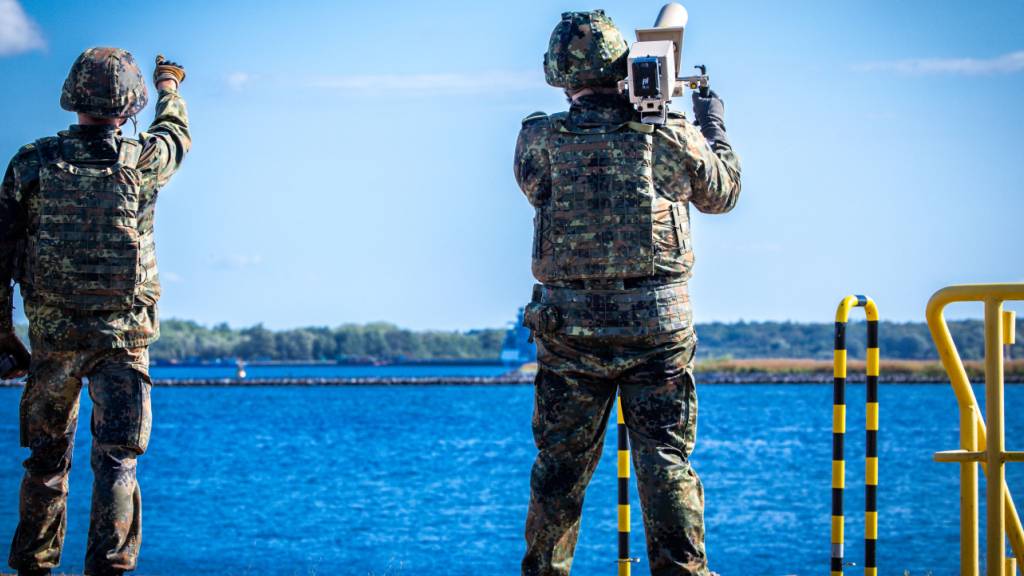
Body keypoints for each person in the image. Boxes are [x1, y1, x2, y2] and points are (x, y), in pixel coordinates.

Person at [514, 10, 741, 576]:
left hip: (569, 332)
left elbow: (534, 184)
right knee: (665, 461)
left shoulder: (539, 139)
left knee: (560, 467)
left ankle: (545, 570)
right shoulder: (665, 135)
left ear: (560, 77)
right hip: (656, 328)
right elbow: (723, 193)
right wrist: (710, 125)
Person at [0, 47, 190, 576]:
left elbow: (1, 252)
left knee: (44, 463)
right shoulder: (145, 162)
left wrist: (3, 336)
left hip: (53, 338)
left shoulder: (31, 163)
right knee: (117, 462)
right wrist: (170, 85)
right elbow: (174, 136)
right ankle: (109, 568)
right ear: (130, 107)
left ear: (73, 97)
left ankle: (34, 567)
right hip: (124, 341)